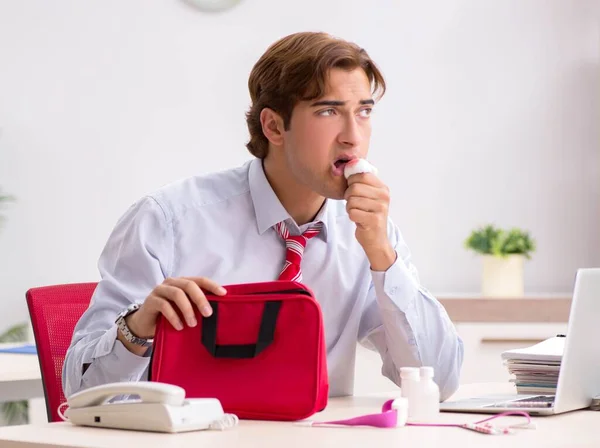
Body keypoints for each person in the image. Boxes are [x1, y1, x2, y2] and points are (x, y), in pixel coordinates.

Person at [63, 31, 464, 401]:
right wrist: (137, 329)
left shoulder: (367, 234)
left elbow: (440, 382)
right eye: (328, 112)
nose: (353, 136)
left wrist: (382, 256)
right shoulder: (168, 221)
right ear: (274, 126)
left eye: (363, 112)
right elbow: (80, 392)